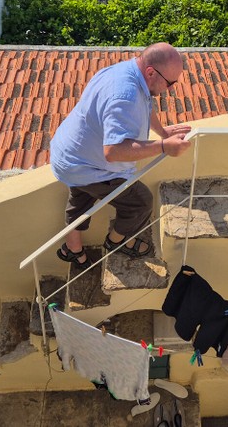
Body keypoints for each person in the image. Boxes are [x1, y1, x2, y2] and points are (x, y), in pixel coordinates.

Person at [50, 42, 192, 270]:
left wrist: (163, 131)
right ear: (150, 72)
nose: (171, 88)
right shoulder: (125, 95)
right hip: (87, 164)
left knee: (81, 199)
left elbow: (147, 102)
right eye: (170, 83)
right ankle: (115, 242)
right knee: (140, 203)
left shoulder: (128, 71)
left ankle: (72, 249)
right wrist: (164, 145)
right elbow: (113, 151)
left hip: (72, 152)